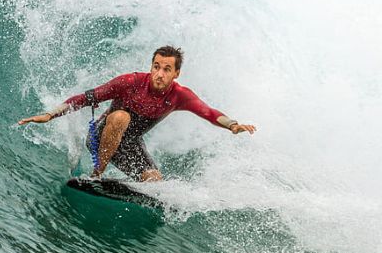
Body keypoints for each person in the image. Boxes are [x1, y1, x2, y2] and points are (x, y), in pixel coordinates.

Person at [18, 46, 256, 182]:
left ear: (176, 73)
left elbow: (209, 112)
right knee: (121, 117)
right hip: (100, 138)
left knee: (155, 181)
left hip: (129, 145)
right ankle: (96, 175)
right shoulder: (130, 82)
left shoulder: (179, 96)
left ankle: (119, 183)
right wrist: (50, 115)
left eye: (166, 69)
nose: (159, 74)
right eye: (156, 66)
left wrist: (232, 125)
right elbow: (85, 98)